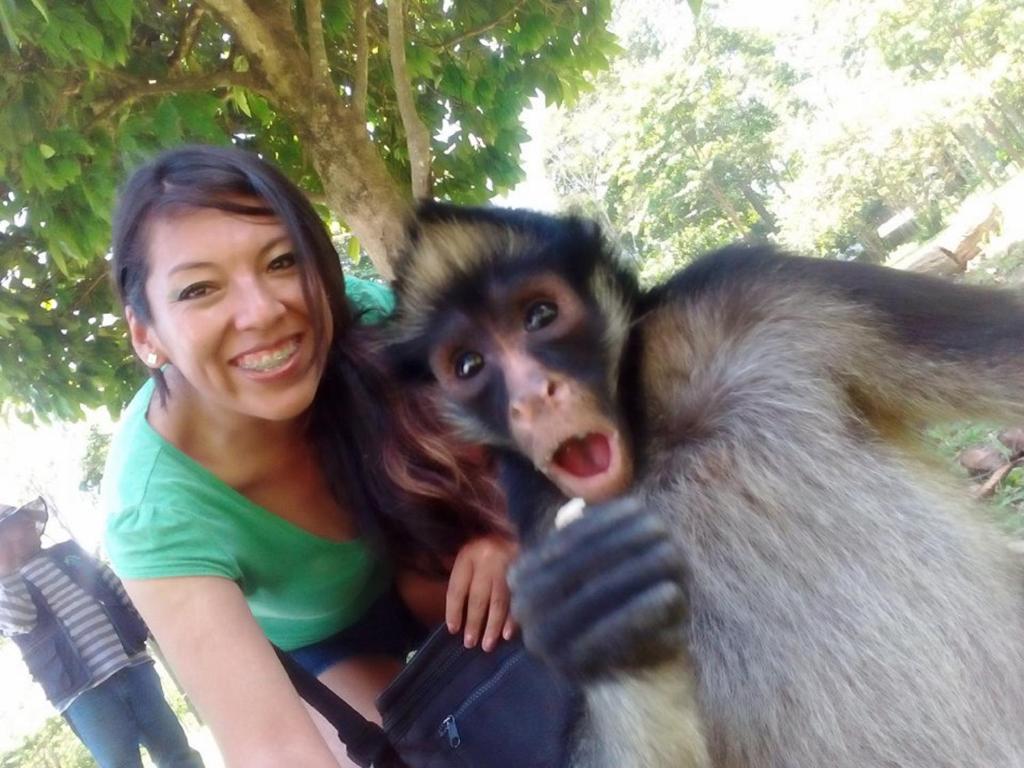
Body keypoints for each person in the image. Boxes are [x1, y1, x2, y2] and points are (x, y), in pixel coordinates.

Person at [101, 145, 518, 767]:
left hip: (427, 554)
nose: (263, 311)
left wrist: (510, 529)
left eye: (281, 261)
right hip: (330, 639)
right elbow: (271, 746)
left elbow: (531, 423)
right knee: (437, 753)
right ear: (145, 333)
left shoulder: (360, 317)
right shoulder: (151, 512)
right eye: (199, 289)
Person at [0, 496, 205, 768]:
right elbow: (19, 622)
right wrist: (5, 571)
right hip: (82, 694)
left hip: (133, 666)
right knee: (120, 763)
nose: (28, 523)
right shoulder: (6, 589)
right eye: (16, 523)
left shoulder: (68, 554)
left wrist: (148, 628)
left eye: (27, 520)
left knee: (175, 750)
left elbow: (117, 587)